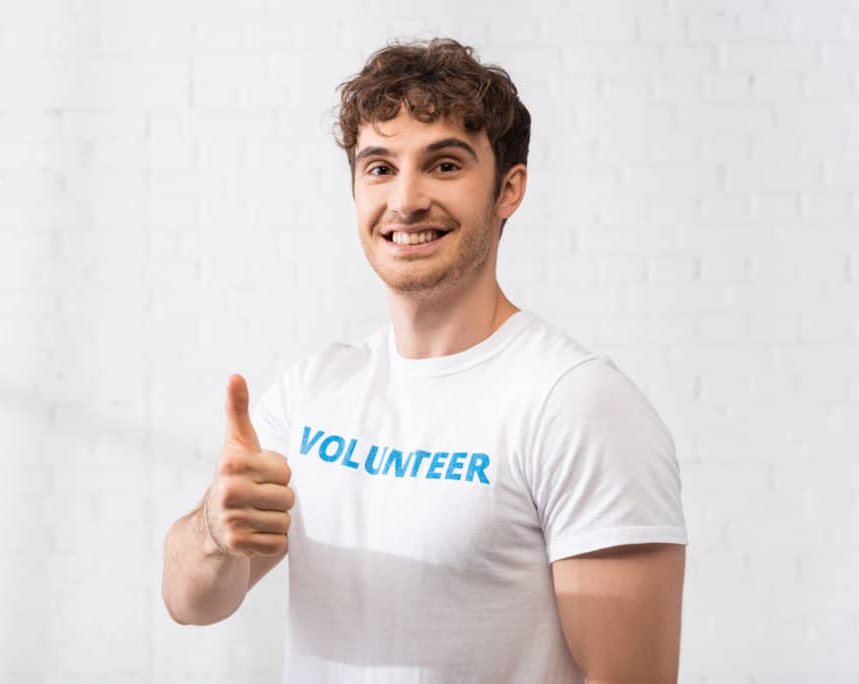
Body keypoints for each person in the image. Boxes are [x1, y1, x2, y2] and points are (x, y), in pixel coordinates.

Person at [161, 36, 688, 683]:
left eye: (444, 165)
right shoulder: (312, 392)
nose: (405, 200)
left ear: (508, 189)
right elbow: (192, 601)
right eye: (380, 167)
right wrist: (216, 530)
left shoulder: (578, 406)